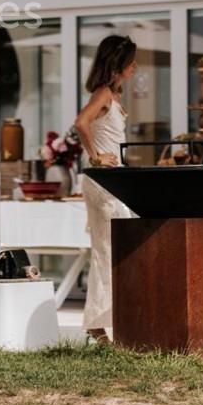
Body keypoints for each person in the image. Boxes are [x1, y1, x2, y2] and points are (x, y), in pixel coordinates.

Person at [73, 35, 136, 344]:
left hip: (112, 180)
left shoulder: (109, 94)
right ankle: (98, 325)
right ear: (119, 64)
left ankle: (106, 321)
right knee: (108, 250)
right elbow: (81, 122)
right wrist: (96, 155)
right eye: (131, 62)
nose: (135, 67)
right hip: (103, 181)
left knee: (114, 249)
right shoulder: (103, 94)